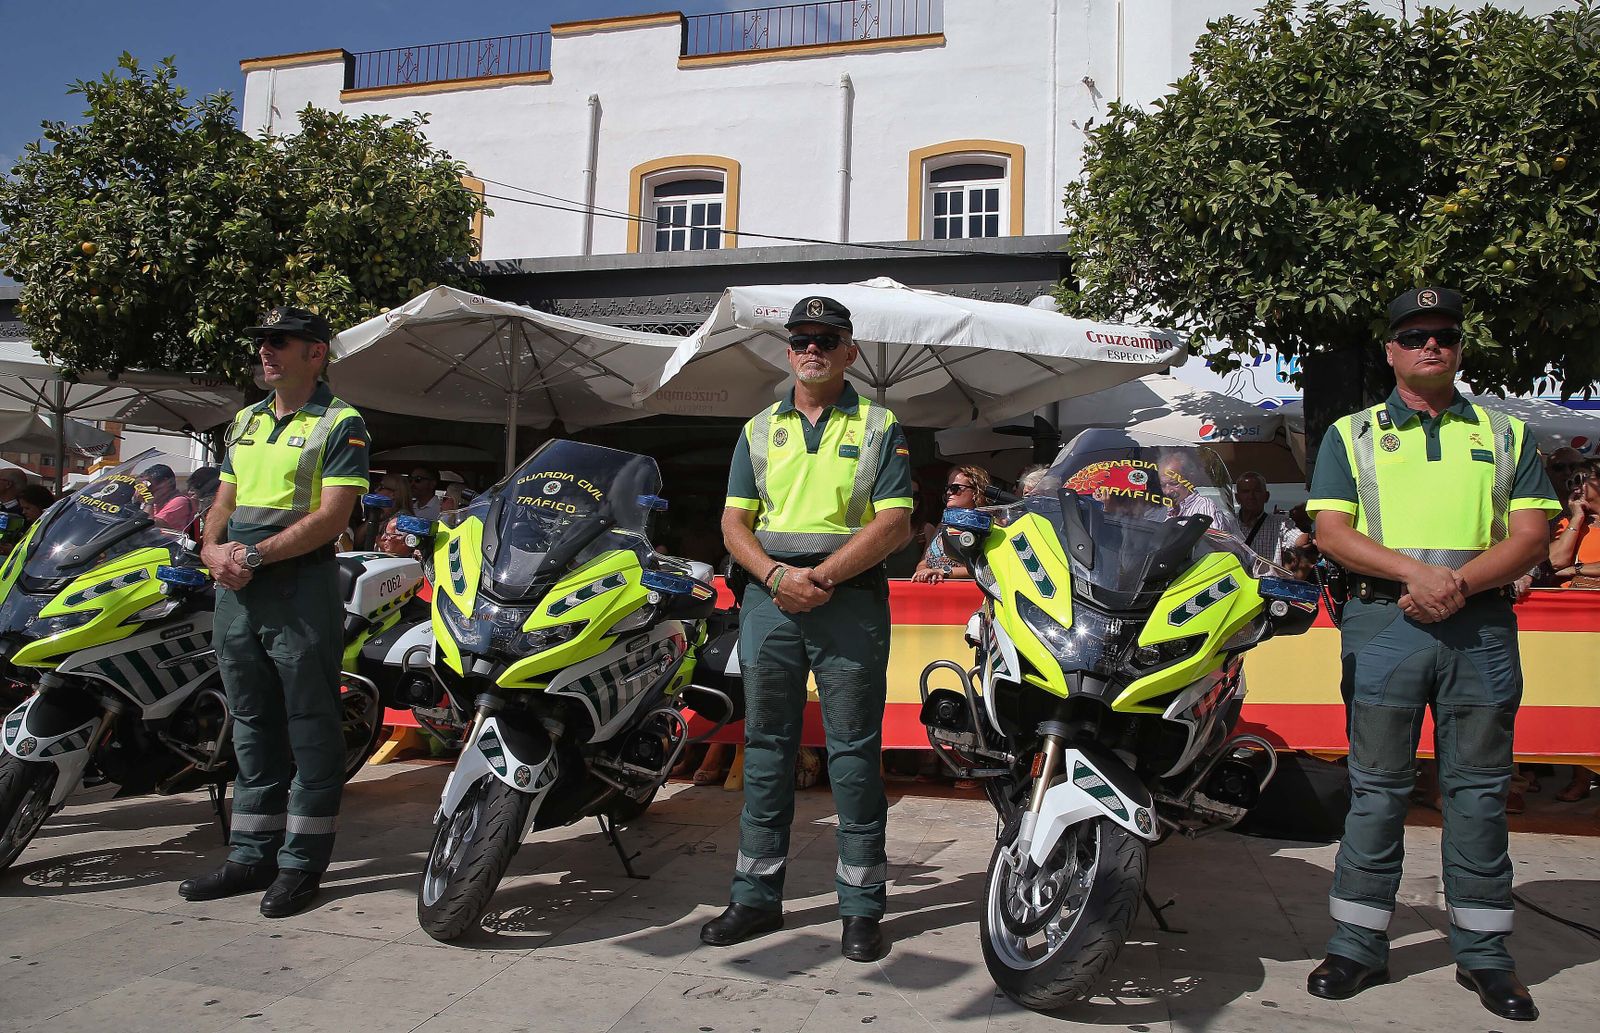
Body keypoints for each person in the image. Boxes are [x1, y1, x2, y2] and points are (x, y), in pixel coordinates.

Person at [1303, 288, 1557, 1021]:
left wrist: (1454, 583)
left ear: (1459, 347)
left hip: (1478, 631)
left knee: (1478, 793)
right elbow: (1331, 533)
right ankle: (1357, 943)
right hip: (1385, 626)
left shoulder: (1506, 433)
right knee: (1376, 790)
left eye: (1444, 334)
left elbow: (1532, 536)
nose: (1431, 346)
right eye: (1414, 335)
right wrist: (1419, 576)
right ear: (1390, 350)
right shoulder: (1350, 434)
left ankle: (1484, 955)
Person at [701, 295, 913, 964]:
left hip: (846, 600)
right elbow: (735, 524)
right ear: (788, 351)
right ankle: (756, 897)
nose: (811, 347)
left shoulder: (881, 424)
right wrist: (773, 577)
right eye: (801, 339)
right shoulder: (758, 428)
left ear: (851, 351)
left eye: (827, 337)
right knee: (765, 748)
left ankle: (861, 907)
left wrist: (819, 576)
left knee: (853, 752)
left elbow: (895, 522)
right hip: (770, 600)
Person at [179, 306, 370, 919]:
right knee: (251, 721)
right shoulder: (245, 421)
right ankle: (250, 854)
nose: (266, 351)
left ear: (317, 353)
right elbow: (223, 500)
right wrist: (212, 549)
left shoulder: (342, 423)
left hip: (296, 588)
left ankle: (300, 864)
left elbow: (334, 517)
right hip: (236, 589)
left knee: (311, 724)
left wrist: (252, 554)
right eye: (262, 341)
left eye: (280, 342)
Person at [912, 466, 990, 584]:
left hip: (964, 595)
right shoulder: (942, 525)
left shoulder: (987, 526)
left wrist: (943, 572)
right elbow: (923, 562)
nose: (949, 492)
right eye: (947, 488)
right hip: (932, 590)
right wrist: (923, 572)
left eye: (955, 488)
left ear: (975, 492)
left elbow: (986, 569)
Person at [1548, 458, 1600, 588]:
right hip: (1574, 601)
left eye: (1579, 480)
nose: (1575, 488)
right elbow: (1555, 561)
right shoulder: (1567, 522)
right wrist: (1577, 518)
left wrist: (1575, 569)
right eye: (1570, 483)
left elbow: (1566, 570)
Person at [1235, 471, 1304, 563]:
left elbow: (1299, 540)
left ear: (1266, 496)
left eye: (1257, 491)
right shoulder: (1227, 524)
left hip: (1266, 577)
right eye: (1246, 492)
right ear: (1237, 498)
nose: (1251, 496)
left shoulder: (1280, 524)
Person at [142, 463, 196, 532]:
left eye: (150, 485)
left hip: (168, 541)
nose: (147, 489)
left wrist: (149, 502)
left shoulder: (180, 501)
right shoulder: (155, 503)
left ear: (168, 483)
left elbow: (148, 525)